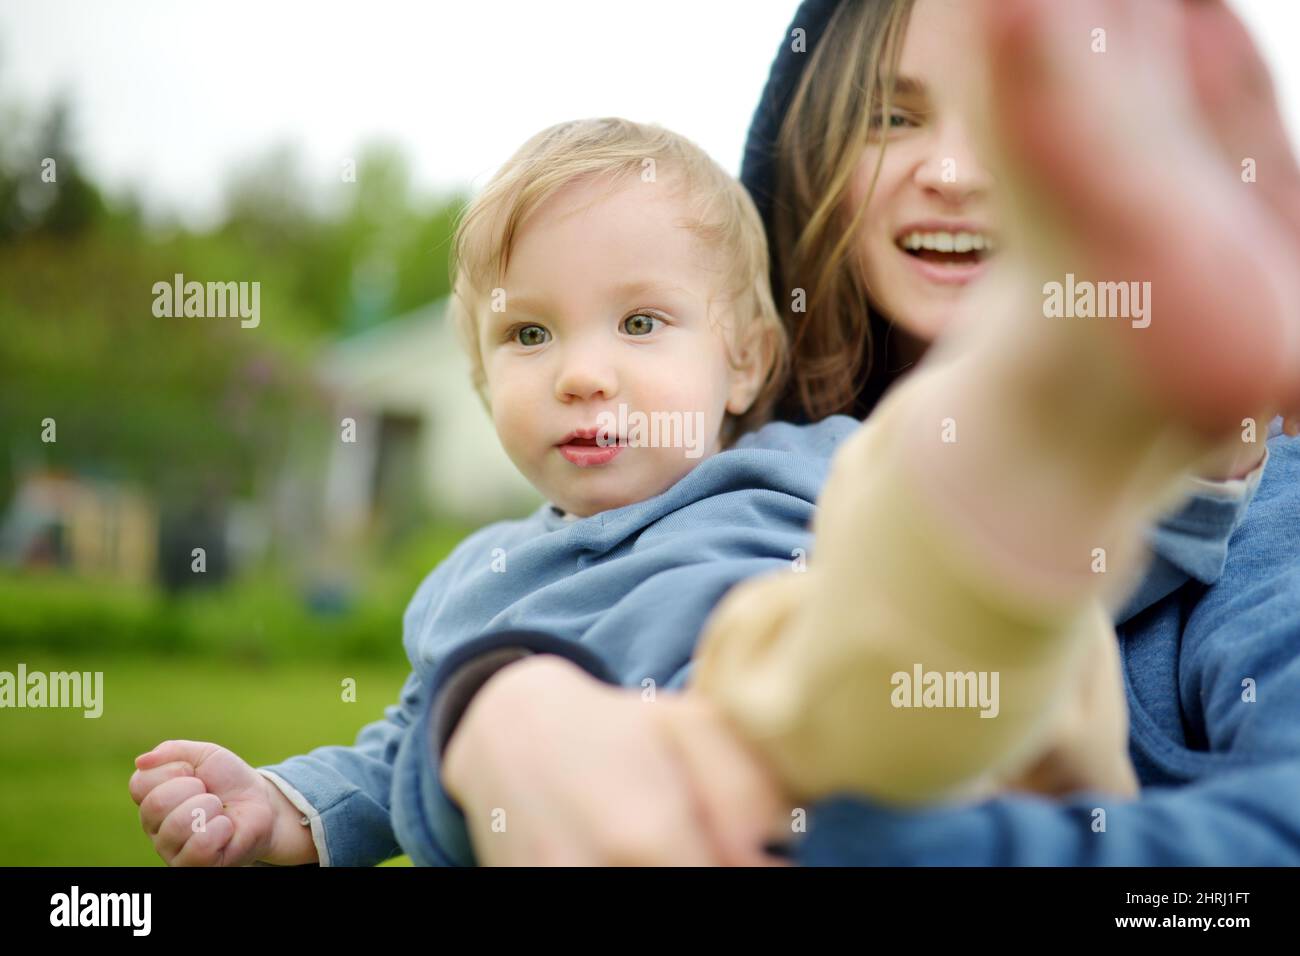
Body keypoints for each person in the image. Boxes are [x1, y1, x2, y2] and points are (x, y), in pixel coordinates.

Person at [424, 0, 1300, 866]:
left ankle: (1076, 407)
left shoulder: (1274, 509)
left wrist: (782, 821)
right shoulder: (709, 471)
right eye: (890, 116)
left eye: (1007, 117)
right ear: (808, 160)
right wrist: (493, 706)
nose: (954, 172)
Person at [129, 114, 1134, 867]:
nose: (580, 372)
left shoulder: (814, 466)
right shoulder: (477, 582)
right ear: (483, 384)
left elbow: (985, 494)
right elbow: (402, 746)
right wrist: (285, 803)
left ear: (742, 362)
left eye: (641, 322)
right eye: (528, 335)